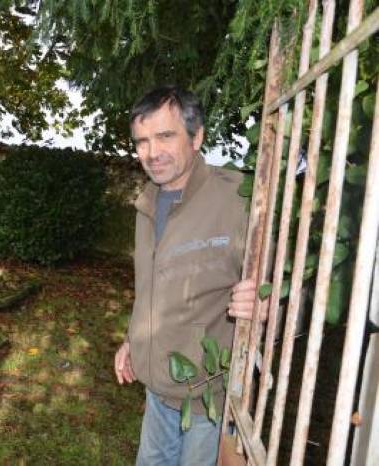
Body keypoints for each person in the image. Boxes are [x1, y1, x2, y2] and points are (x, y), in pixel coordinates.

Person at [113, 86, 263, 466]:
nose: (151, 152)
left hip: (209, 402)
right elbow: (150, 287)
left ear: (196, 137)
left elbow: (290, 282)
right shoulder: (147, 202)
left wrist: (267, 300)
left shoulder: (239, 200)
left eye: (165, 136)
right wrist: (134, 340)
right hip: (157, 393)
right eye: (142, 141)